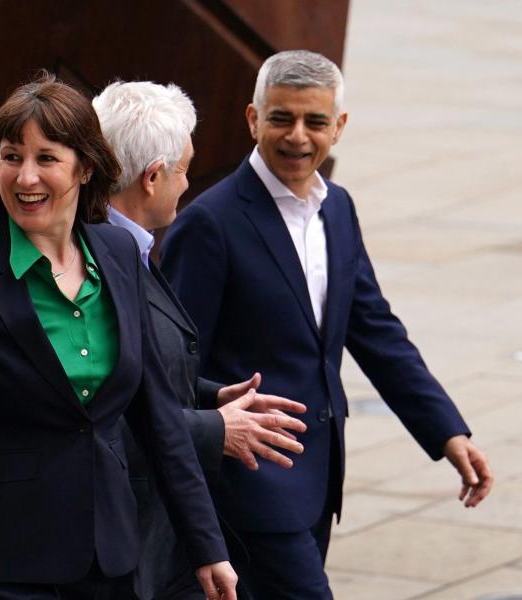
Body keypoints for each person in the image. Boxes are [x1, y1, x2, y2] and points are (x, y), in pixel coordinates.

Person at [0, 72, 237, 600]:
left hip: (107, 558)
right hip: (1, 563)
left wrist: (208, 548)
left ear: (85, 166)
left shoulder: (118, 256)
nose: (25, 177)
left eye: (47, 158)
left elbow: (158, 421)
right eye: (12, 156)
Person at [160, 50, 494, 599]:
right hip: (248, 482)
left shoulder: (336, 208)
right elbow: (173, 360)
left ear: (338, 127)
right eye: (281, 118)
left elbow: (376, 331)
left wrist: (446, 431)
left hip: (317, 479)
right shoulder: (209, 224)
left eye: (315, 121)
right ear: (252, 119)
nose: (297, 136)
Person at [93, 81, 308, 600]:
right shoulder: (95, 261)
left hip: (166, 536)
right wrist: (214, 428)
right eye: (184, 170)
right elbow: (101, 413)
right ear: (152, 178)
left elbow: (140, 368)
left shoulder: (134, 246)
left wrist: (210, 395)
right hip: (124, 545)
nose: (188, 186)